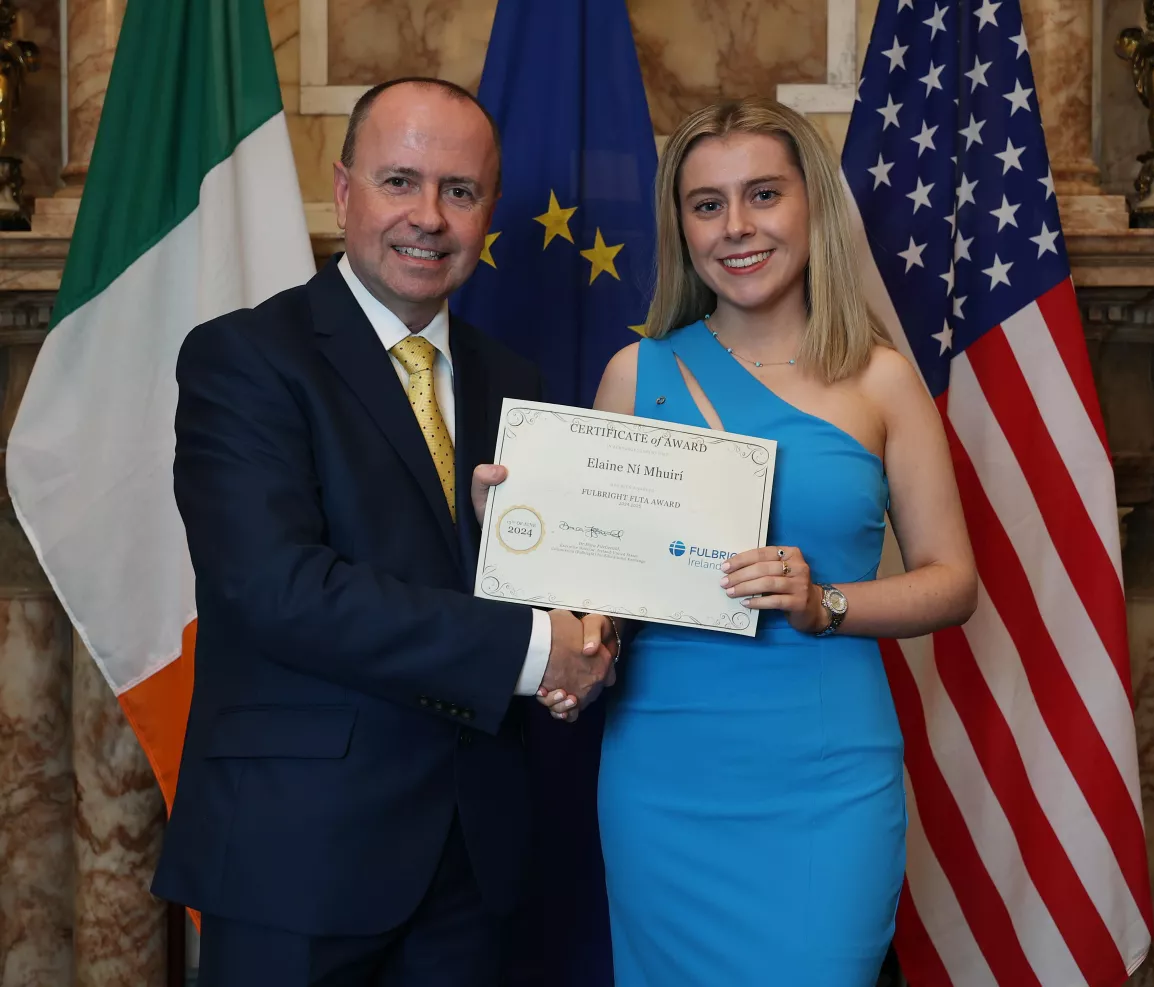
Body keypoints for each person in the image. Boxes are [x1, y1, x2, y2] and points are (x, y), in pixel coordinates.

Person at [151, 77, 617, 987]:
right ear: (344, 189)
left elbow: (547, 574)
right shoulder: (243, 356)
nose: (428, 217)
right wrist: (536, 648)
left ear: (488, 211)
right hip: (297, 857)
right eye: (400, 180)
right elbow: (276, 588)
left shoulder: (513, 380)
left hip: (474, 859)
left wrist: (587, 639)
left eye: (460, 190)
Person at [539, 96, 978, 984]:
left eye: (764, 195)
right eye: (708, 205)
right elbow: (594, 591)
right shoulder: (636, 373)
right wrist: (552, 596)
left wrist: (827, 605)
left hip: (829, 783)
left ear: (812, 203)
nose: (737, 227)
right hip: (662, 783)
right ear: (683, 226)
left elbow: (953, 581)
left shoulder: (883, 382)